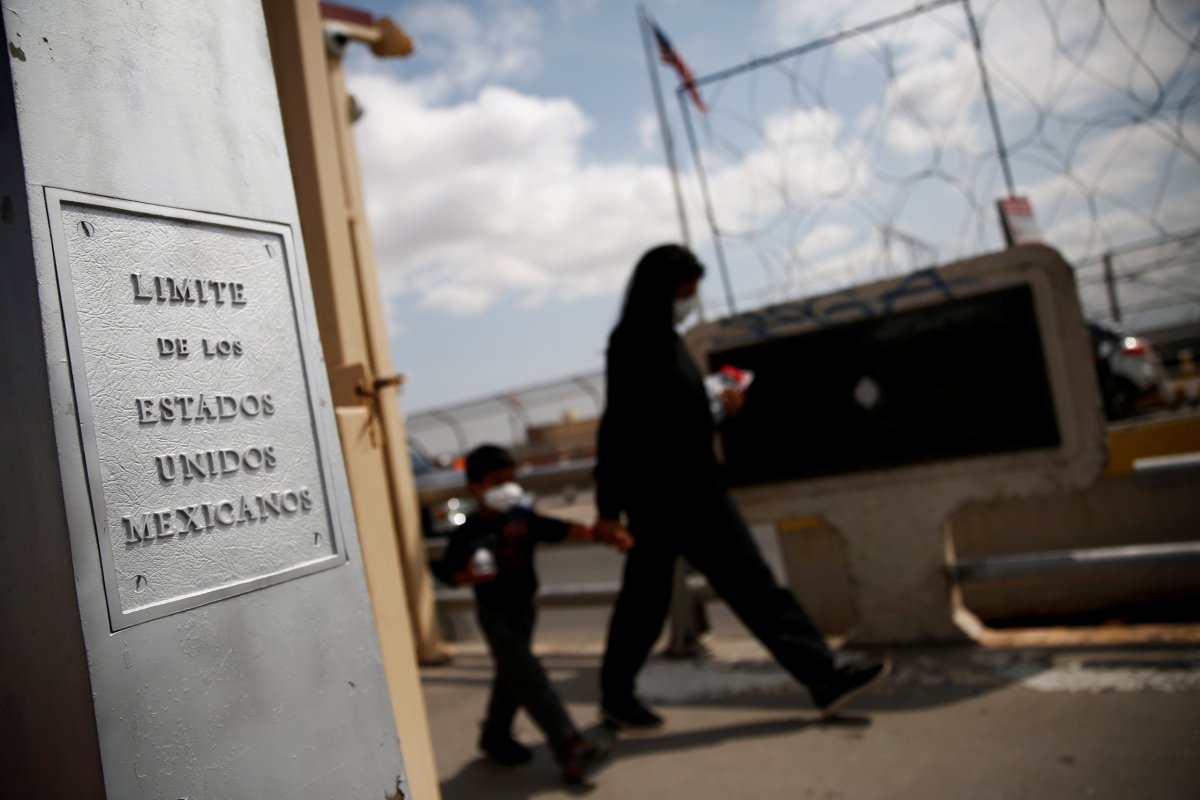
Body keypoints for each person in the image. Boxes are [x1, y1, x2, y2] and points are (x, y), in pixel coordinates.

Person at [592, 243, 890, 732]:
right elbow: (619, 426)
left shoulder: (667, 339)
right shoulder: (632, 342)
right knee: (679, 599)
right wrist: (607, 508)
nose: (689, 301)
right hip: (666, 497)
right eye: (683, 292)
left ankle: (823, 678)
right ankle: (617, 696)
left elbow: (673, 417)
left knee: (720, 593)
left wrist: (717, 409)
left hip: (693, 490)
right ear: (659, 291)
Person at [435, 444, 634, 784]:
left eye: (511, 480)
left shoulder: (522, 519)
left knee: (514, 675)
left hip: (524, 610)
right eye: (497, 481)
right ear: (475, 488)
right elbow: (446, 571)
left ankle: (495, 737)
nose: (507, 488)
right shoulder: (468, 532)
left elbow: (562, 529)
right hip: (495, 614)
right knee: (530, 675)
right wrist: (468, 576)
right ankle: (569, 744)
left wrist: (601, 532)